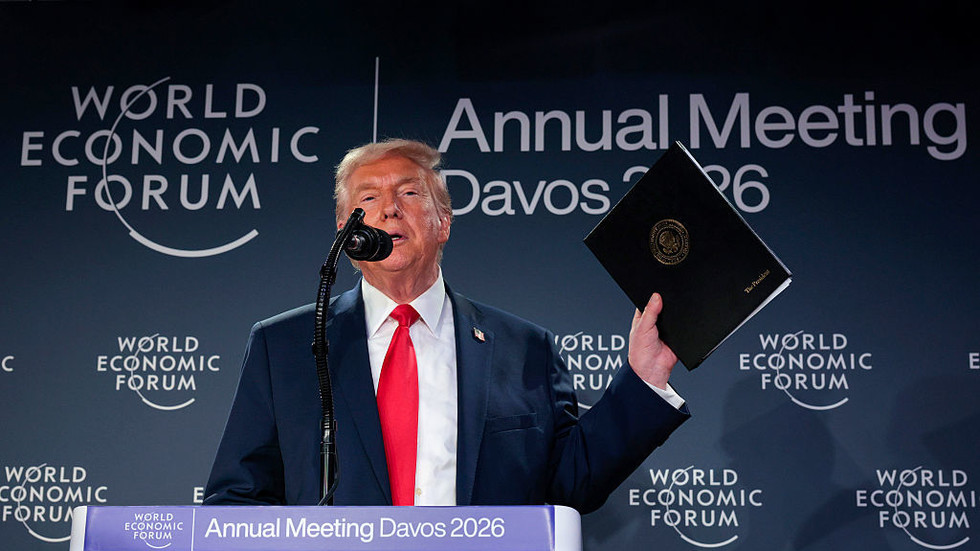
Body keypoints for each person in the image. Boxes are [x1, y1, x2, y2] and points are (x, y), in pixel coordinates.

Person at [203, 139, 689, 514]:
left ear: (444, 222)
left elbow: (571, 484)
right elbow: (237, 501)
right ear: (345, 233)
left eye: (409, 193)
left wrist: (645, 378)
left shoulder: (525, 349)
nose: (388, 208)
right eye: (368, 198)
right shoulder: (284, 347)